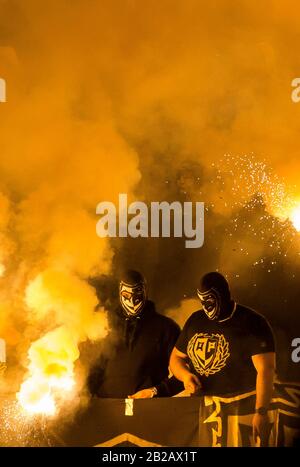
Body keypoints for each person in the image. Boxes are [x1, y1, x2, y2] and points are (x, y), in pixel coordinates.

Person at [170, 271, 276, 446]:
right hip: (205, 410)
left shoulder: (253, 322)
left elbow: (266, 369)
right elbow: (175, 357)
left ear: (223, 296)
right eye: (201, 301)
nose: (205, 307)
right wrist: (185, 375)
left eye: (209, 301)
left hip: (242, 409)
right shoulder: (196, 320)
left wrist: (261, 411)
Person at [86, 269, 183, 399]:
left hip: (148, 410)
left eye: (137, 295)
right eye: (127, 295)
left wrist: (155, 392)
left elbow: (186, 375)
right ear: (120, 293)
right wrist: (85, 397)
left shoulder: (166, 328)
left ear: (145, 292)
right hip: (106, 409)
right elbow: (93, 370)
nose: (132, 301)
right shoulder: (104, 326)